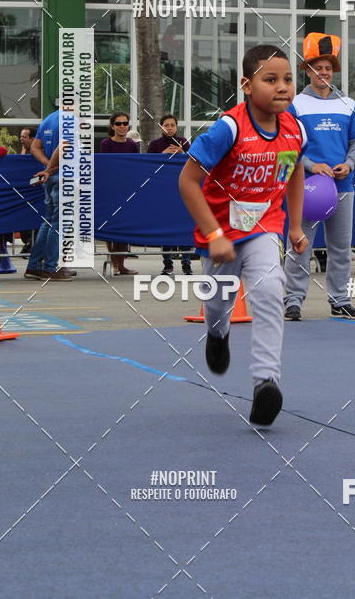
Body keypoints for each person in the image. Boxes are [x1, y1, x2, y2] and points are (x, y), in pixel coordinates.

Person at [179, 45, 307, 427]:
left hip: (265, 226)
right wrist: (214, 233)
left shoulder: (295, 129)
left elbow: (295, 172)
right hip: (220, 232)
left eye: (287, 79)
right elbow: (187, 182)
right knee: (218, 304)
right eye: (271, 80)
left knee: (269, 290)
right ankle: (216, 336)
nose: (282, 87)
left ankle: (266, 382)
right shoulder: (229, 128)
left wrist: (296, 225)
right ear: (247, 86)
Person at [283, 32, 355, 321]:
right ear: (308, 71)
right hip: (306, 187)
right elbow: (287, 144)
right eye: (318, 67)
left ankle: (340, 301)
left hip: (343, 186)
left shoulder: (349, 104)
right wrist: (310, 165)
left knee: (341, 248)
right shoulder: (295, 105)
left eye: (328, 68)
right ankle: (292, 301)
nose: (324, 72)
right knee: (300, 244)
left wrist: (350, 163)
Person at [24, 106, 74, 281]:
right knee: (59, 224)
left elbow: (35, 148)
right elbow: (63, 146)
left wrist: (47, 167)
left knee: (49, 222)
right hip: (65, 177)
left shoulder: (48, 119)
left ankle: (35, 265)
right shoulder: (70, 119)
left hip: (52, 178)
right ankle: (50, 267)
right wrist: (51, 168)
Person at [147, 114, 192, 276]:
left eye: (172, 125)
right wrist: (162, 155)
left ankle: (186, 264)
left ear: (176, 126)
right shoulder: (154, 144)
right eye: (166, 125)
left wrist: (182, 154)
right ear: (161, 127)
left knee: (184, 225)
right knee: (166, 226)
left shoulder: (184, 143)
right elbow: (146, 165)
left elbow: (194, 162)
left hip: (183, 190)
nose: (170, 127)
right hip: (163, 191)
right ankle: (167, 264)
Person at [100, 111, 140, 275]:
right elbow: (105, 165)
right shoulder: (106, 143)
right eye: (118, 124)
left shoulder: (132, 145)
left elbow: (138, 166)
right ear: (112, 126)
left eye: (125, 123)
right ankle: (114, 264)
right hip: (111, 190)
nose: (122, 126)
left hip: (127, 190)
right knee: (112, 229)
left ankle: (121, 264)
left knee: (124, 228)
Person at [18, 127, 37, 255]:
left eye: (24, 137)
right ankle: (28, 243)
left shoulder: (37, 151)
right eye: (21, 136)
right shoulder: (24, 150)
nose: (21, 139)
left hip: (36, 190)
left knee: (36, 219)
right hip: (25, 190)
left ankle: (33, 245)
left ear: (32, 139)